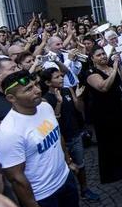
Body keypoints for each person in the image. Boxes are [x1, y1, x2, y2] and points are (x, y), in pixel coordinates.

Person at [0, 70, 97, 207]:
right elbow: (15, 176)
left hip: (63, 179)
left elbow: (57, 135)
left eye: (35, 85)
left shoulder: (45, 107)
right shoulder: (9, 132)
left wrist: (68, 161)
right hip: (41, 194)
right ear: (10, 97)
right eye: (28, 89)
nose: (37, 91)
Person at [39, 68, 99, 200]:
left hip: (75, 134)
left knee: (81, 164)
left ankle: (84, 190)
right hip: (61, 140)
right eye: (57, 77)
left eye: (61, 76)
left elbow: (79, 109)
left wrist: (78, 98)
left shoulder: (67, 90)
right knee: (64, 170)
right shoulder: (44, 100)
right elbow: (52, 121)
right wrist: (59, 102)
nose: (61, 78)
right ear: (48, 82)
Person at [83, 47, 122, 184]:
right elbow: (103, 87)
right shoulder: (91, 72)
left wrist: (119, 66)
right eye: (98, 55)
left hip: (117, 108)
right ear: (92, 58)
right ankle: (112, 174)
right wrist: (114, 69)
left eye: (103, 53)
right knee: (107, 142)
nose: (103, 56)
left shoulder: (112, 67)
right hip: (102, 113)